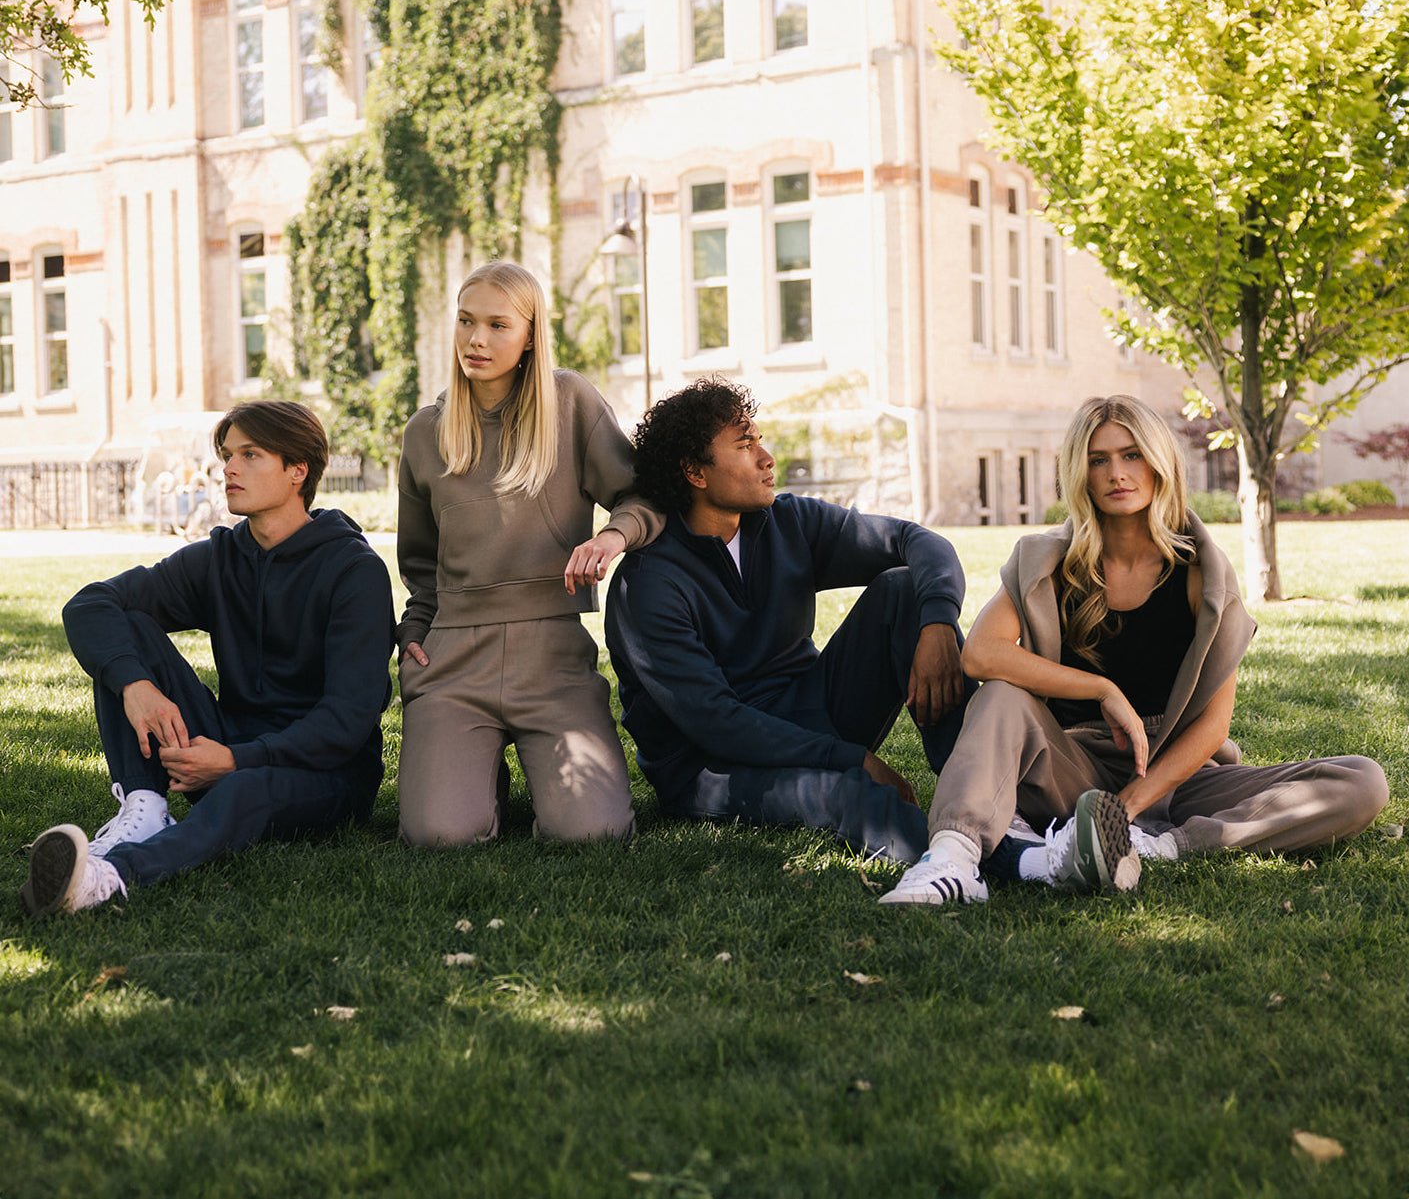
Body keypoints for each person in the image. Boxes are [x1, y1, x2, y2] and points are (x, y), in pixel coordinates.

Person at [881, 394, 1390, 906]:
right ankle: (952, 860)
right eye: (1098, 460)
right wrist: (1101, 689)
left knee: (1361, 781)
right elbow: (981, 656)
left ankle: (1159, 846)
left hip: (1177, 777)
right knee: (1000, 697)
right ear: (1080, 474)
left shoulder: (1201, 575)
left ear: (1159, 462)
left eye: (1131, 455)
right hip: (1071, 765)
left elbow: (1212, 728)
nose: (1116, 474)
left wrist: (1125, 810)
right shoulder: (1048, 562)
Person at [23, 401, 395, 917]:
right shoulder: (220, 557)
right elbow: (90, 604)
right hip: (222, 747)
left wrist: (236, 760)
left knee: (244, 790)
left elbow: (348, 720)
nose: (229, 469)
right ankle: (145, 806)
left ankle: (108, 878)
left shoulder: (354, 571)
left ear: (297, 471)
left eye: (250, 454)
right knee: (125, 628)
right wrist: (137, 686)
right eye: (226, 455)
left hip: (327, 775)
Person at [605, 377, 971, 863]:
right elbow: (716, 722)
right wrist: (848, 758)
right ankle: (959, 863)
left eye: (758, 439)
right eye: (744, 445)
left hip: (809, 711)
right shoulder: (648, 583)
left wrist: (938, 624)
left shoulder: (786, 521)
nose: (766, 457)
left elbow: (917, 541)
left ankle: (987, 803)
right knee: (844, 795)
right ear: (695, 471)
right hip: (712, 767)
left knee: (904, 589)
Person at [395, 261, 662, 846]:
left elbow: (641, 494)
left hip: (553, 656)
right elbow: (420, 563)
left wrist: (613, 535)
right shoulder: (424, 432)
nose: (477, 340)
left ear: (531, 334)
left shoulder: (571, 403)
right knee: (439, 835)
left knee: (593, 833)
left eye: (497, 325)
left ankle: (499, 769)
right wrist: (415, 630)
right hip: (454, 659)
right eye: (466, 322)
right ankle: (475, 770)